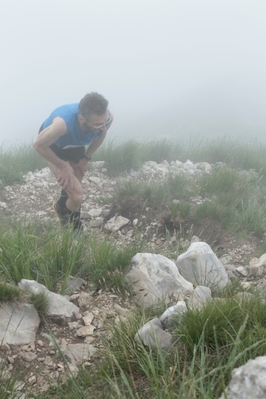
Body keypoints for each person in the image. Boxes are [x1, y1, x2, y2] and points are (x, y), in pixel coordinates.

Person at [34, 92, 113, 231]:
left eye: (104, 122)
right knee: (76, 196)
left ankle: (60, 206)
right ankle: (74, 229)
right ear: (81, 119)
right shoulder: (62, 125)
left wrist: (86, 158)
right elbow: (38, 145)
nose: (103, 127)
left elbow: (102, 134)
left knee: (77, 178)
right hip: (54, 146)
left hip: (75, 144)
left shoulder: (106, 119)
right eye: (97, 125)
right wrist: (62, 165)